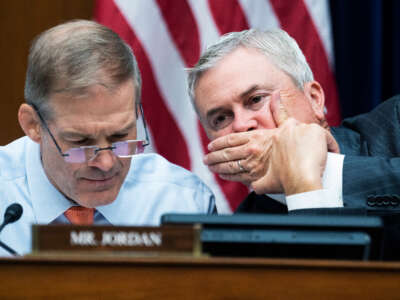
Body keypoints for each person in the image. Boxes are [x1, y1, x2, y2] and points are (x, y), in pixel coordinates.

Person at [0, 20, 215, 256]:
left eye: (120, 135)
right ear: (33, 125)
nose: (106, 163)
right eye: (81, 142)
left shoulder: (184, 200)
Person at [187, 28, 400, 215]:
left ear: (314, 99)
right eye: (221, 118)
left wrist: (311, 171)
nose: (242, 125)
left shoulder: (395, 122)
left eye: (255, 99)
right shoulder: (239, 240)